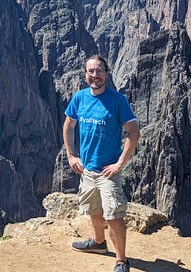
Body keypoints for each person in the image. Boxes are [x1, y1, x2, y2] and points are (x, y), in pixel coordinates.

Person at [63, 55, 140, 272]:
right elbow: (68, 125)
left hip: (108, 172)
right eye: (90, 71)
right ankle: (98, 243)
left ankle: (121, 261)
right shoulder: (79, 98)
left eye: (99, 71)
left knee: (114, 215)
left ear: (107, 73)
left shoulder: (118, 101)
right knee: (93, 210)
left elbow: (133, 134)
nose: (94, 75)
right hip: (87, 170)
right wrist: (71, 155)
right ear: (85, 74)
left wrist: (119, 164)